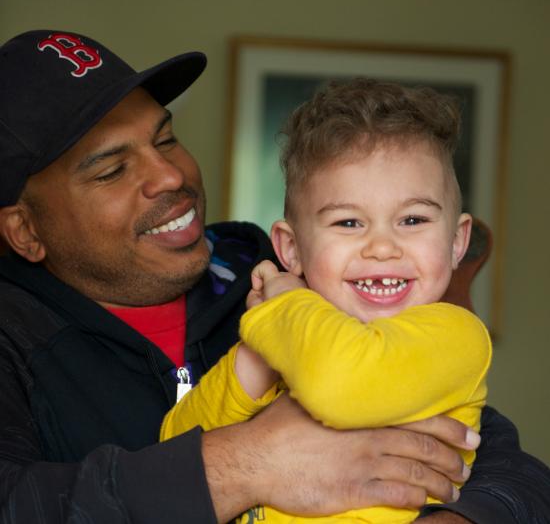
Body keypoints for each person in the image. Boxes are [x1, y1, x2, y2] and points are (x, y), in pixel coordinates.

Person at [0, 30, 548, 524]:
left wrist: (471, 515)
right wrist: (243, 464)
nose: (169, 175)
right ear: (25, 230)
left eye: (165, 139)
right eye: (112, 169)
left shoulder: (273, 276)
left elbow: (492, 450)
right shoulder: (16, 340)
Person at [160, 78, 492, 523]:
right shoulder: (289, 338)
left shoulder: (456, 336)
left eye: (412, 219)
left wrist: (280, 305)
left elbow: (338, 386)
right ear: (291, 249)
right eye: (349, 222)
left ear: (457, 241)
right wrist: (255, 360)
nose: (381, 247)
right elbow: (176, 450)